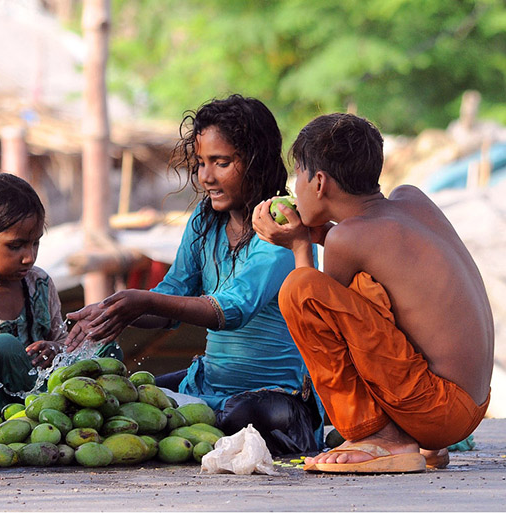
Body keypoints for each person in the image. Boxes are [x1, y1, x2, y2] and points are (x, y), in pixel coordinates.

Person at [66, 95, 324, 457]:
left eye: (221, 163)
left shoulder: (283, 227)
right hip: (205, 385)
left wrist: (139, 300)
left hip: (280, 400)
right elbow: (171, 297)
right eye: (201, 163)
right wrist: (110, 312)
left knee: (240, 416)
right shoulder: (204, 223)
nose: (206, 177)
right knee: (125, 402)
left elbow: (231, 310)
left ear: (257, 161)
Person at [252, 113, 493, 473]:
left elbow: (319, 313)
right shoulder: (412, 200)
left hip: (437, 410)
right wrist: (318, 233)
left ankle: (382, 437)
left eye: (297, 175)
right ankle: (408, 437)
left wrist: (300, 245)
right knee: (365, 289)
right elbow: (373, 253)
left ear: (319, 183)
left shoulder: (346, 238)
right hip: (470, 404)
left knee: (299, 289)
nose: (294, 187)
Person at [0, 173, 122, 441]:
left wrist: (55, 350)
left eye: (35, 243)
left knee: (106, 347)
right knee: (3, 347)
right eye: (16, 246)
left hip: (38, 412)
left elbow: (64, 343)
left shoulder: (40, 284)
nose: (29, 256)